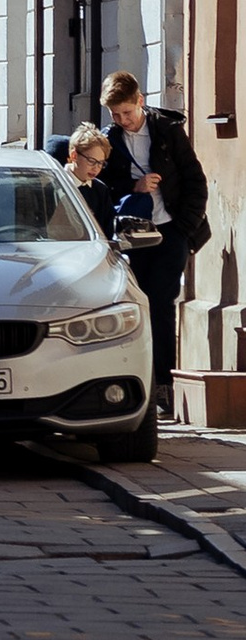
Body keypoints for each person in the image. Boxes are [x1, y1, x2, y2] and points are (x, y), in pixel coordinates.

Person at [102, 67, 210, 414]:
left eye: (128, 113)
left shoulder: (167, 131)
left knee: (161, 304)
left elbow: (195, 180)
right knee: (135, 307)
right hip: (131, 238)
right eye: (116, 115)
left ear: (141, 102)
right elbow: (104, 191)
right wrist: (133, 188)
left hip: (168, 231)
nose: (123, 121)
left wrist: (183, 229)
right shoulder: (110, 140)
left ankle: (161, 383)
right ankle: (136, 380)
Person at [66, 125, 119, 239]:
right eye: (91, 161)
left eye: (101, 163)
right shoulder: (57, 184)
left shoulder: (100, 190)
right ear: (74, 156)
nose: (96, 168)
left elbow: (108, 230)